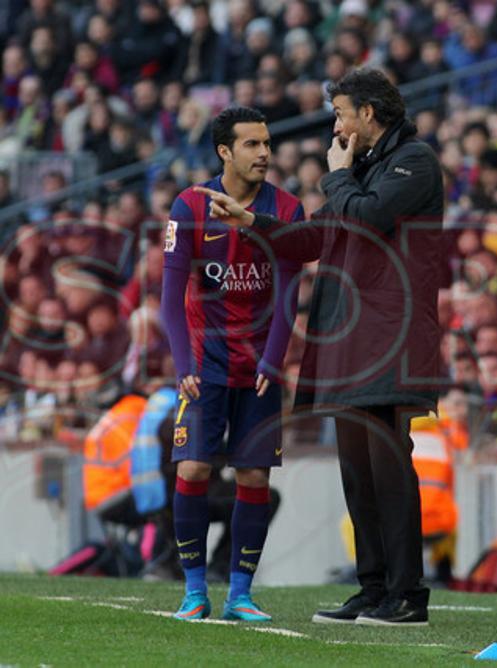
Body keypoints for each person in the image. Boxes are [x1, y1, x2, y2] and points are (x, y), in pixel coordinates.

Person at [199, 69, 445, 626]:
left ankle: (408, 595)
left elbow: (367, 219)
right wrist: (252, 222)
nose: (335, 124)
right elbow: (315, 237)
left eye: (340, 112)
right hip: (348, 333)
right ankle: (372, 587)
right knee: (357, 467)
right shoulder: (361, 171)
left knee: (388, 461)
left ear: (369, 115)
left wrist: (336, 176)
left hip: (391, 334)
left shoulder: (416, 162)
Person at [160, 107, 304, 622]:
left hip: (260, 367)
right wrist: (183, 366)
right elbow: (170, 298)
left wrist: (273, 358)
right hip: (205, 364)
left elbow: (290, 291)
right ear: (225, 151)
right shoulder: (189, 207)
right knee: (194, 466)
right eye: (252, 144)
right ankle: (194, 591)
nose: (265, 152)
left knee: (254, 479)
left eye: (267, 143)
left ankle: (240, 594)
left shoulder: (286, 209)